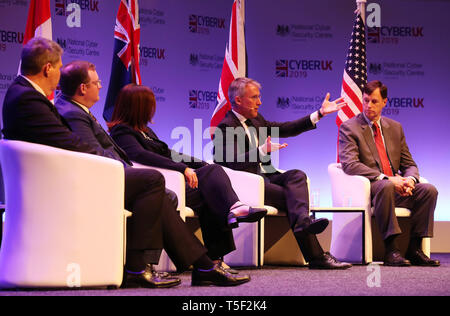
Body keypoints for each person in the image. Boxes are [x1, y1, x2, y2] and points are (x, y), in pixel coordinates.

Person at [2, 37, 250, 288]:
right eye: (58, 67)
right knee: (152, 180)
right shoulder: (28, 98)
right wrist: (113, 168)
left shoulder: (27, 95)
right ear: (48, 69)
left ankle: (194, 265)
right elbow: (70, 143)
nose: (58, 78)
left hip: (72, 173)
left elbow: (66, 143)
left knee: (156, 186)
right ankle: (169, 266)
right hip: (70, 180)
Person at [107, 83, 267, 272]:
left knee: (211, 191)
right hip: (159, 185)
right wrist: (183, 169)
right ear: (138, 107)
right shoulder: (122, 132)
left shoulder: (147, 132)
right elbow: (142, 156)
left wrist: (200, 164)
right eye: (150, 105)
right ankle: (234, 209)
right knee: (212, 186)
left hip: (172, 181)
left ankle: (215, 259)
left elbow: (169, 153)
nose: (152, 110)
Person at [213, 77, 352, 270]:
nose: (260, 102)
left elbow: (287, 128)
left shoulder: (257, 120)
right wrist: (262, 150)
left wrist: (319, 114)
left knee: (297, 175)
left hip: (266, 178)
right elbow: (232, 163)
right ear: (238, 100)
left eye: (259, 97)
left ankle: (304, 225)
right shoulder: (225, 127)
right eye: (254, 97)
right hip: (245, 185)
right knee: (294, 199)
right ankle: (315, 254)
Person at [338, 80, 439, 267]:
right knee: (385, 186)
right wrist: (388, 179)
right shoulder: (349, 127)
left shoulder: (395, 128)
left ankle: (415, 249)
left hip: (395, 187)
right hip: (372, 187)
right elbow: (350, 164)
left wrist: (409, 179)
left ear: (385, 102)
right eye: (366, 100)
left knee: (428, 190)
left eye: (374, 101)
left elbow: (409, 163)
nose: (369, 105)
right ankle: (391, 249)